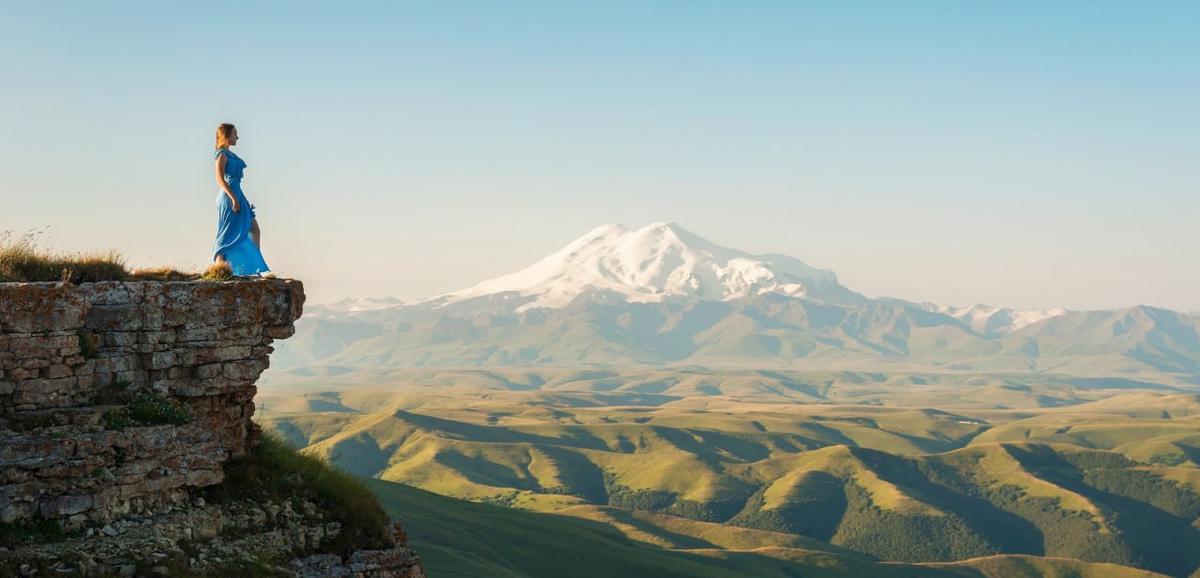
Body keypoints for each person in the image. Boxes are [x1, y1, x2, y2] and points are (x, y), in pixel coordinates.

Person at [212, 123, 271, 276]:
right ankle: (219, 266)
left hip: (238, 194)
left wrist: (239, 199)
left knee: (254, 229)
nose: (237, 137)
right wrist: (233, 198)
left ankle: (254, 267)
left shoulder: (230, 155)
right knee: (226, 233)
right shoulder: (222, 155)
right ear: (226, 136)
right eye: (234, 134)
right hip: (228, 196)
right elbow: (219, 179)